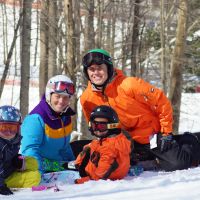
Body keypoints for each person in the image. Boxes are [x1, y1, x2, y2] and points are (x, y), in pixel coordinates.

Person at [80, 48, 200, 172]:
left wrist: (166, 133)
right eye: (91, 69)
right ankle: (147, 157)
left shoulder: (129, 84)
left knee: (178, 163)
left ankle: (189, 140)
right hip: (125, 142)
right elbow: (96, 127)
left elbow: (161, 101)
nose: (96, 73)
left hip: (152, 136)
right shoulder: (87, 99)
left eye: (100, 68)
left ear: (108, 68)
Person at [20, 75, 76, 174]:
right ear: (48, 95)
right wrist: (38, 174)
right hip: (41, 167)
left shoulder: (65, 117)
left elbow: (65, 147)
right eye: (57, 96)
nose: (61, 101)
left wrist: (74, 164)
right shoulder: (35, 119)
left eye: (65, 97)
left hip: (58, 166)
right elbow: (29, 150)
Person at [75, 105, 131, 184]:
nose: (97, 129)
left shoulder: (110, 147)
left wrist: (84, 181)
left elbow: (101, 174)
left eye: (102, 126)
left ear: (112, 126)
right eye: (95, 125)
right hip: (93, 169)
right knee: (84, 145)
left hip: (100, 177)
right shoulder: (112, 139)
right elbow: (96, 146)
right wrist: (79, 161)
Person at [0, 105, 40, 196]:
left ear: (18, 128)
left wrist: (16, 160)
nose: (8, 133)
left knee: (34, 162)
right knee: (35, 177)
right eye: (4, 128)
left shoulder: (15, 140)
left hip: (7, 169)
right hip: (2, 178)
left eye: (12, 129)